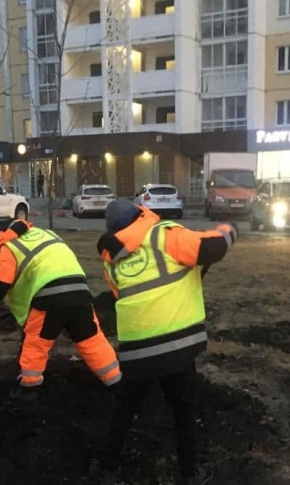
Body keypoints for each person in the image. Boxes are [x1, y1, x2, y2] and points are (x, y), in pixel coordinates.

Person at [93, 199, 237, 485]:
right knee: (184, 410)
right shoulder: (164, 235)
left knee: (125, 410)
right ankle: (189, 473)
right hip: (176, 347)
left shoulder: (112, 261)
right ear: (141, 214)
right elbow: (212, 247)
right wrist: (230, 228)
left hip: (137, 351)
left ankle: (104, 468)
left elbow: (127, 295)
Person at [0, 218, 122, 399]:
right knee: (91, 339)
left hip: (49, 299)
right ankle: (115, 381)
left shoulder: (10, 247)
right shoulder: (47, 234)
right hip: (80, 291)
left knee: (36, 344)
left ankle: (28, 389)